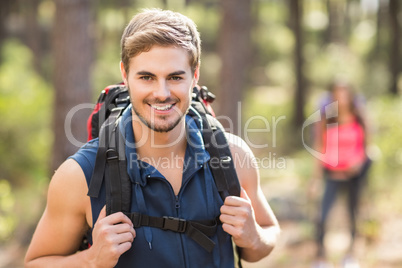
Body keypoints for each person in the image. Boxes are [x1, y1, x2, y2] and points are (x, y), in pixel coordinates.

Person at [25, 8, 280, 267]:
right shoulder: (79, 176)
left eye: (175, 77)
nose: (162, 93)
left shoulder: (232, 156)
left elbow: (267, 234)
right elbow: (35, 262)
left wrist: (255, 237)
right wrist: (91, 260)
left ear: (195, 75)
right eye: (146, 77)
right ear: (125, 75)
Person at [310, 81, 371, 268]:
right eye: (337, 93)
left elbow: (366, 147)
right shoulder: (325, 118)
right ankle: (321, 257)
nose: (341, 97)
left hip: (354, 176)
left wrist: (358, 162)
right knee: (322, 216)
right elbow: (319, 148)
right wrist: (315, 178)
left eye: (345, 93)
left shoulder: (359, 117)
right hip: (332, 174)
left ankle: (351, 255)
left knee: (353, 214)